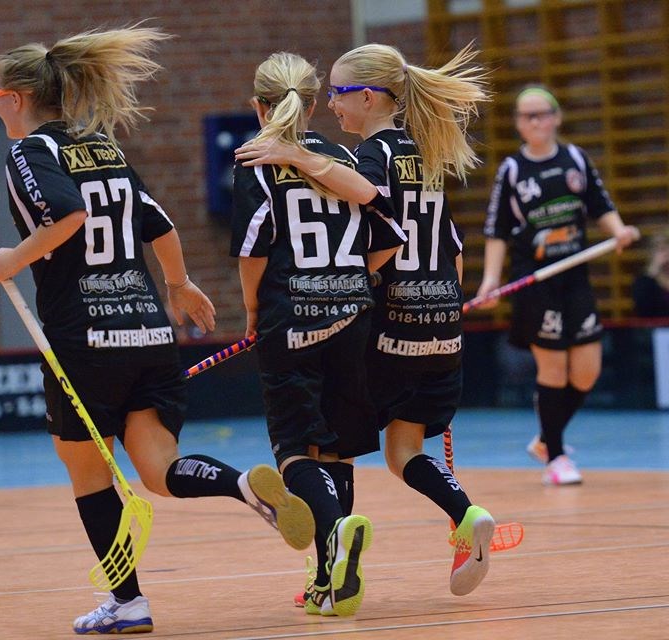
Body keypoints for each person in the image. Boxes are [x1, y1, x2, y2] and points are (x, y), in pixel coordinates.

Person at [0, 26, 314, 635]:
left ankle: (128, 603)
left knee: (89, 475)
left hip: (85, 338)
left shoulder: (30, 151)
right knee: (160, 471)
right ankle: (241, 484)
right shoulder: (101, 146)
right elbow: (158, 222)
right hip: (148, 332)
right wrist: (179, 285)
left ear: (17, 98)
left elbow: (69, 215)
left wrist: (13, 259)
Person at [236, 43, 496, 598]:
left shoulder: (370, 156)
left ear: (370, 97)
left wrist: (302, 159)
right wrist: (445, 305)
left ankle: (330, 569)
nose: (332, 104)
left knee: (329, 443)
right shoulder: (426, 154)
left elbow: (376, 215)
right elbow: (452, 248)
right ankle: (466, 513)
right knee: (403, 452)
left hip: (389, 323)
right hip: (443, 319)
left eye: (340, 93)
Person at [229, 51, 406, 617]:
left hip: (292, 316)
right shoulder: (343, 157)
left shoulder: (256, 159)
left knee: (292, 448)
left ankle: (335, 535)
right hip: (353, 313)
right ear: (312, 105)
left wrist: (253, 309)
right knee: (338, 447)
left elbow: (254, 248)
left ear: (259, 106)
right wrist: (353, 279)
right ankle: (331, 578)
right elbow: (389, 233)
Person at [477, 85, 640, 486]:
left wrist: (618, 231)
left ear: (556, 117)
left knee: (586, 372)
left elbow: (600, 205)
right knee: (553, 367)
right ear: (518, 123)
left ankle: (546, 439)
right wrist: (490, 280)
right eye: (526, 115)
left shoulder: (575, 159)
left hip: (574, 276)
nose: (535, 121)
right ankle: (557, 456)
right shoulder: (512, 170)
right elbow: (497, 229)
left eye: (542, 113)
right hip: (535, 281)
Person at [632, 231, 669, 317]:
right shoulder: (644, 281)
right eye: (662, 249)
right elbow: (642, 311)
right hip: (656, 325)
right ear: (652, 253)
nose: (667, 254)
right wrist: (653, 269)